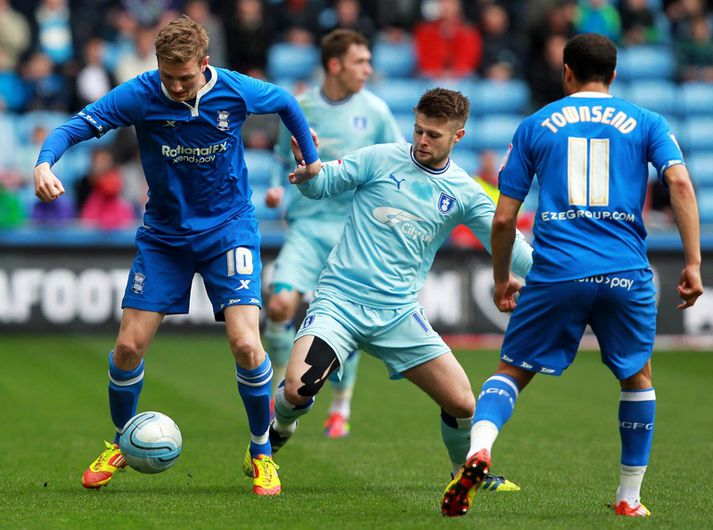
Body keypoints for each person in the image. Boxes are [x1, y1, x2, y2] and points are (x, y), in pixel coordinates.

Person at [33, 15, 321, 496]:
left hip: (229, 230)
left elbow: (288, 103)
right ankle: (124, 442)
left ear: (204, 64)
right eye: (168, 76)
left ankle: (261, 452)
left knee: (248, 345)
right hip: (164, 237)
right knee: (127, 348)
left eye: (185, 77)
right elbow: (75, 127)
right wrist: (45, 161)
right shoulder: (140, 94)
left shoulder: (235, 90)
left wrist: (308, 158)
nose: (176, 85)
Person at [441, 33, 703, 518]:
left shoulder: (536, 125)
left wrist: (501, 278)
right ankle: (630, 497)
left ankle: (478, 452)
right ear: (614, 75)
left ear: (566, 72)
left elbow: (502, 220)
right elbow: (681, 181)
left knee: (512, 371)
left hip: (559, 269)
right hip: (625, 270)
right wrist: (692, 261)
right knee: (637, 377)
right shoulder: (647, 121)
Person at [258, 88, 533, 493]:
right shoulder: (380, 157)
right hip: (340, 303)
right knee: (298, 389)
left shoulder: (465, 191)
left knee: (462, 404)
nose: (422, 141)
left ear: (458, 137)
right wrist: (308, 170)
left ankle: (463, 474)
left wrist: (556, 274)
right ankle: (279, 428)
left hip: (398, 315)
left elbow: (510, 245)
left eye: (433, 135)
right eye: (419, 130)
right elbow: (323, 184)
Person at [264, 28, 403, 439]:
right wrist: (275, 185)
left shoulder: (375, 111)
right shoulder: (300, 106)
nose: (369, 69)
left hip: (353, 233)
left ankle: (340, 405)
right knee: (278, 307)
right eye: (361, 62)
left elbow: (396, 163)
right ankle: (285, 384)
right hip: (307, 227)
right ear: (335, 65)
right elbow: (277, 157)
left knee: (348, 320)